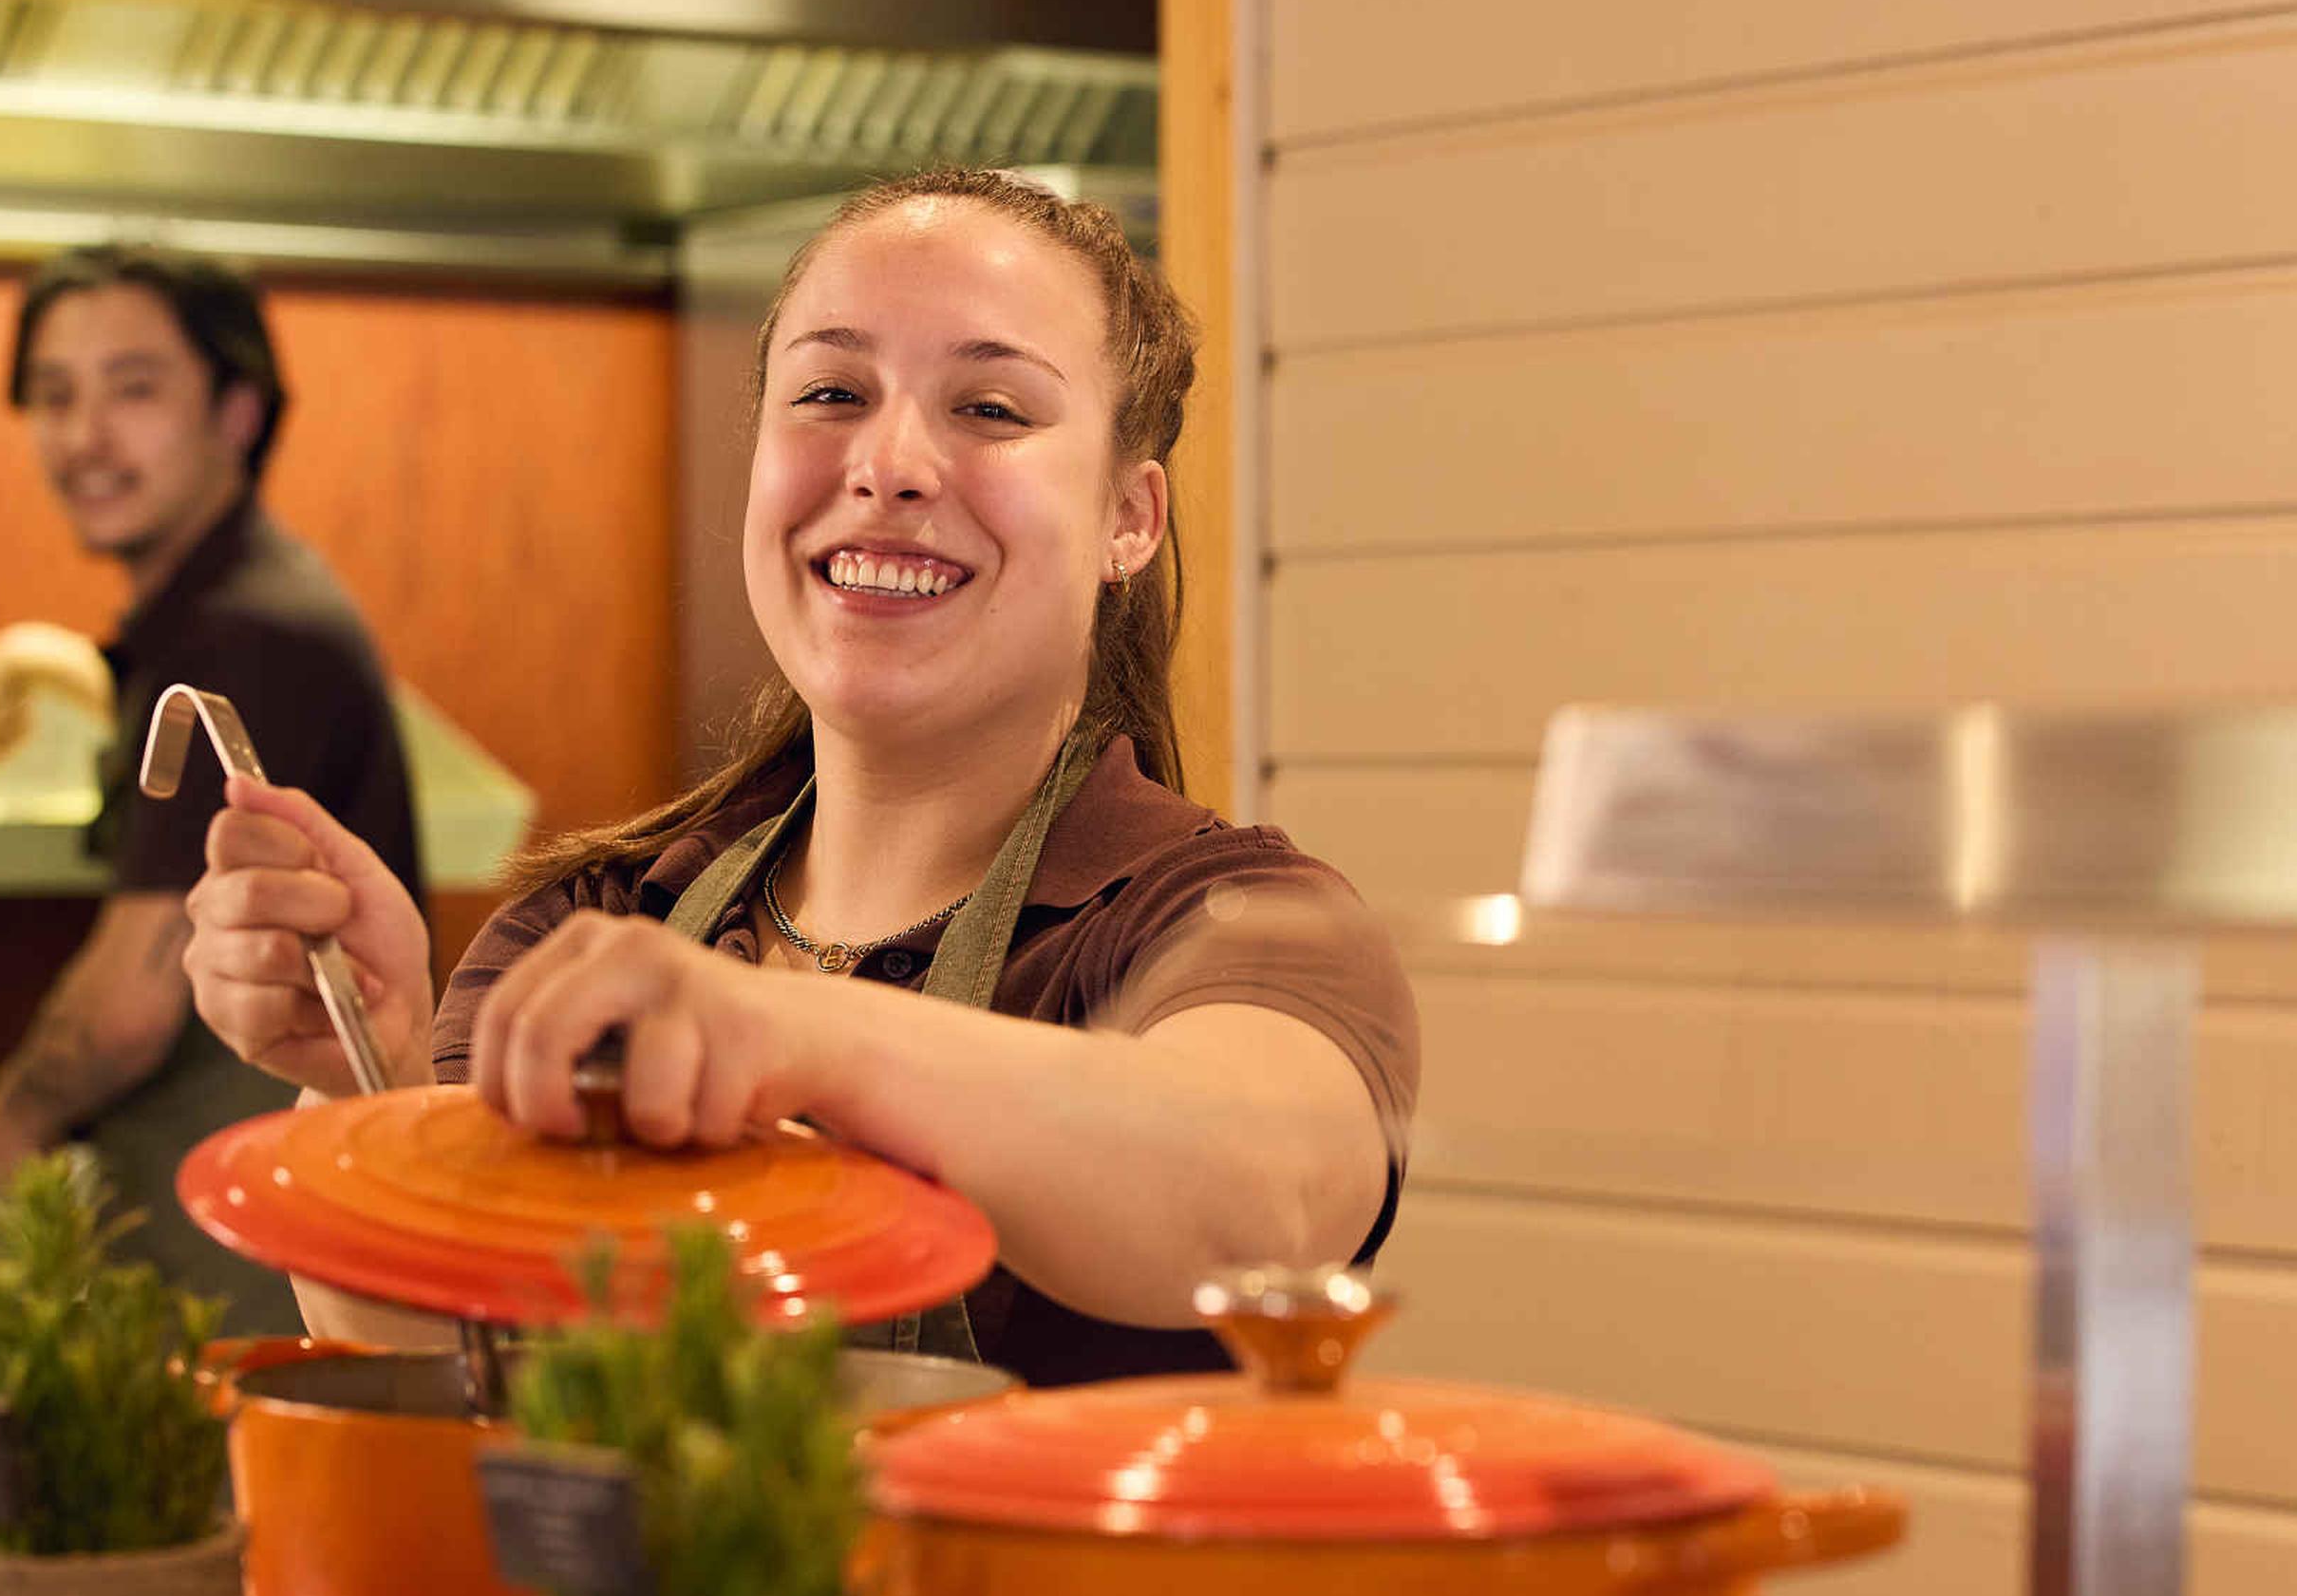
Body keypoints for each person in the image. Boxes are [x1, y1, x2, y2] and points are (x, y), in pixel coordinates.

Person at [181, 171, 1413, 1383]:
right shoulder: (598, 927)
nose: (889, 464)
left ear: (1127, 521)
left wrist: (791, 1031)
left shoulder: (1238, 926)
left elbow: (1257, 1206)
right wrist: (368, 1076)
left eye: (989, 408)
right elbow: (455, 1373)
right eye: (831, 392)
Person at [0, 243, 423, 1330]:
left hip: (246, 1248)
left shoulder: (244, 632)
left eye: (135, 389)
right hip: (229, 1222)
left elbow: (130, 1002)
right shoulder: (229, 609)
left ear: (239, 410)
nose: (84, 436)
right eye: (54, 395)